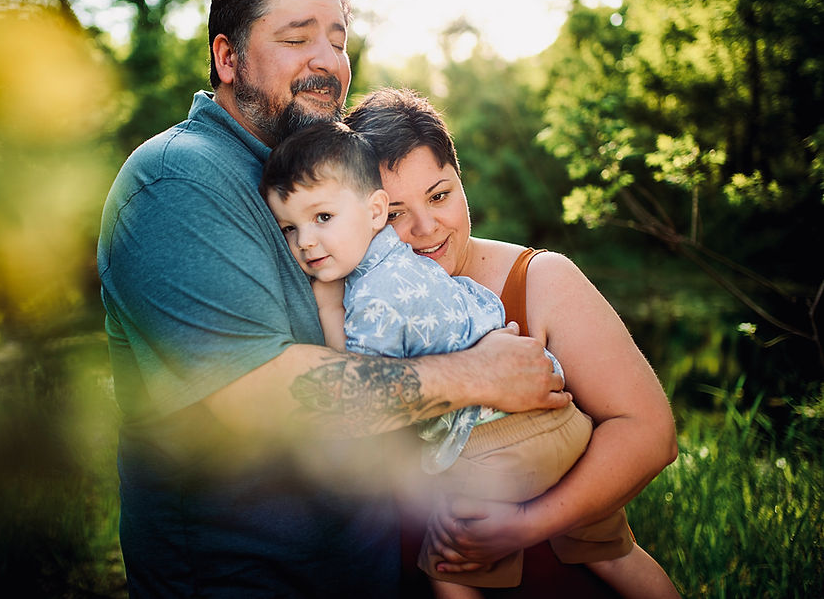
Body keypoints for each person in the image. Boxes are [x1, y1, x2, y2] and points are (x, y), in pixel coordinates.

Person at [96, 0, 568, 597]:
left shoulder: (316, 172)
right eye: (297, 38)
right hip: (247, 579)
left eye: (338, 40)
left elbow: (418, 246)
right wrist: (481, 375)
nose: (328, 60)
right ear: (228, 58)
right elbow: (265, 399)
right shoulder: (178, 181)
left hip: (361, 567)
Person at [260, 121, 679, 599]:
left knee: (454, 566)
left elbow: (651, 434)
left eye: (439, 196)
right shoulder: (365, 284)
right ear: (368, 212)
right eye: (397, 213)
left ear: (461, 182)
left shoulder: (538, 278)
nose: (425, 227)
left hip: (557, 579)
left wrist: (527, 524)